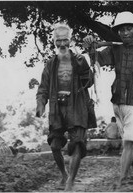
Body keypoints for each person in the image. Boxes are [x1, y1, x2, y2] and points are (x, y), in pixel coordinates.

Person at [83, 11, 133, 184]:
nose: (125, 33)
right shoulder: (115, 49)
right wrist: (90, 46)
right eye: (121, 30)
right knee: (127, 141)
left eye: (129, 29)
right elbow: (96, 59)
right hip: (118, 102)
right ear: (118, 32)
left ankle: (122, 179)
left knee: (128, 143)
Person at [36, 23, 96, 191]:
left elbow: (89, 81)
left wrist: (83, 66)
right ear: (54, 42)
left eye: (65, 40)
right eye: (58, 41)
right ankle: (64, 174)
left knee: (77, 144)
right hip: (57, 108)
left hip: (76, 106)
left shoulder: (79, 60)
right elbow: (43, 88)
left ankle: (71, 180)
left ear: (70, 41)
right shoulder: (50, 64)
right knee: (55, 145)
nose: (62, 44)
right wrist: (41, 104)